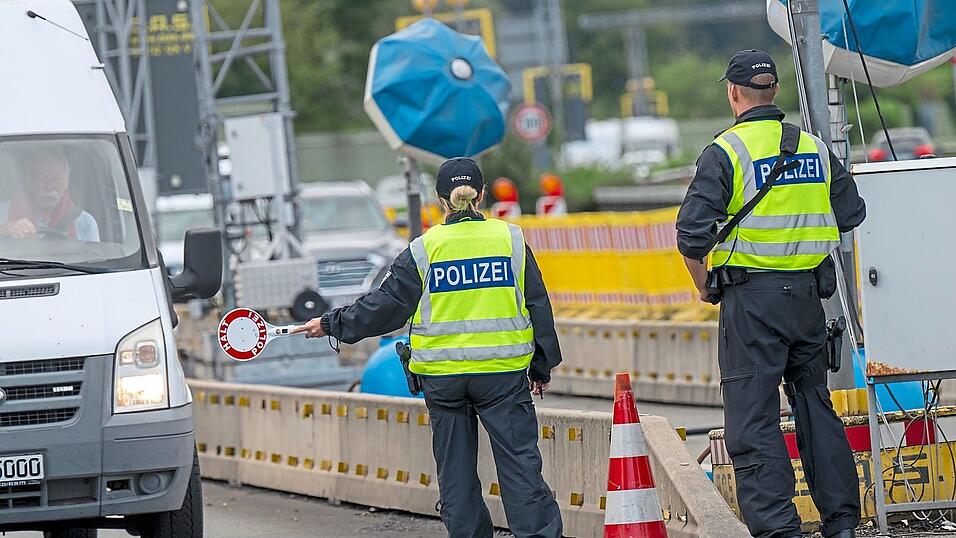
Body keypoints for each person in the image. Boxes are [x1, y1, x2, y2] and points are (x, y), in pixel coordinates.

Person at [294, 157, 563, 538]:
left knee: (455, 474)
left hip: (443, 381)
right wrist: (541, 365)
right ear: (483, 195)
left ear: (441, 200)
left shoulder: (424, 250)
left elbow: (384, 308)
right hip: (502, 378)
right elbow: (537, 303)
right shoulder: (511, 239)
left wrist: (330, 323)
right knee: (520, 467)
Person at [676, 50, 865, 538]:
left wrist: (705, 287)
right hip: (807, 299)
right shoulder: (815, 148)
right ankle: (841, 522)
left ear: (733, 93)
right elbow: (851, 212)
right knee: (814, 405)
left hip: (751, 303)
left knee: (753, 416)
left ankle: (779, 529)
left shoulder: (725, 152)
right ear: (775, 91)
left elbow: (692, 236)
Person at [0, 149, 99, 241]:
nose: (49, 186)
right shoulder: (3, 213)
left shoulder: (85, 223)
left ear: (67, 182)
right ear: (30, 180)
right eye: (41, 178)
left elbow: (95, 259)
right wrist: (4, 230)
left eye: (56, 178)